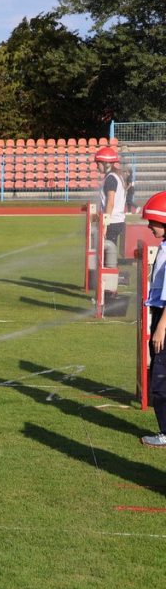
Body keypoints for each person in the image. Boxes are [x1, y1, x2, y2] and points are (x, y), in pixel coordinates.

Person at [140, 191, 166, 448]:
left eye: (153, 222)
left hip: (164, 321)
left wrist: (160, 328)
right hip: (159, 314)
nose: (149, 226)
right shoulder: (164, 246)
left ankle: (165, 433)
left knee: (159, 380)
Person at [95, 146, 126, 251]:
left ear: (105, 163)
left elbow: (110, 202)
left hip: (112, 222)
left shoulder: (110, 179)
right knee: (109, 254)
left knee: (108, 256)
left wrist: (105, 225)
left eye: (98, 163)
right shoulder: (116, 176)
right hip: (116, 221)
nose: (96, 166)